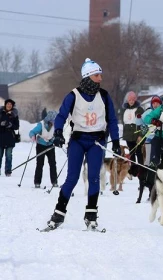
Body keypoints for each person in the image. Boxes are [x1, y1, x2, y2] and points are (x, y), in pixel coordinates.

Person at [44, 58, 121, 231]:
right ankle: (58, 214)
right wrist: (57, 132)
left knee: (94, 177)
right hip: (78, 140)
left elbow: (112, 120)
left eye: (100, 75)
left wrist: (115, 141)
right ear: (88, 77)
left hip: (97, 141)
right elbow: (61, 116)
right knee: (72, 178)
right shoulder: (74, 95)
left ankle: (91, 216)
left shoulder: (104, 96)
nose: (100, 79)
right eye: (97, 76)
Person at [29, 110, 59, 189]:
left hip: (50, 146)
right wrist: (33, 136)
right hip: (41, 146)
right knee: (40, 164)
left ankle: (54, 182)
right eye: (53, 120)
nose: (54, 122)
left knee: (52, 164)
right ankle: (37, 182)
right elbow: (32, 132)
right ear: (49, 119)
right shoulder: (41, 125)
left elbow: (56, 135)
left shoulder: (55, 126)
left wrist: (56, 140)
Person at [121, 91, 144, 177]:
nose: (131, 101)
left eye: (133, 99)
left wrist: (140, 135)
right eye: (130, 99)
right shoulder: (125, 110)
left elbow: (143, 123)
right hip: (128, 135)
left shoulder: (139, 109)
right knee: (131, 153)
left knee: (139, 153)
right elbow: (124, 122)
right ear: (127, 100)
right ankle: (134, 170)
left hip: (136, 135)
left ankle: (142, 170)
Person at [0, 98, 19, 176]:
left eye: (10, 104)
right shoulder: (1, 113)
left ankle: (8, 171)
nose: (9, 105)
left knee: (9, 156)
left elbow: (17, 126)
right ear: (5, 105)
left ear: (12, 106)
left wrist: (10, 125)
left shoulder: (14, 115)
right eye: (8, 104)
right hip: (0, 137)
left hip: (10, 138)